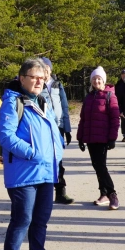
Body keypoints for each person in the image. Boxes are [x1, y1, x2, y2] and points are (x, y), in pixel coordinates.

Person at [0, 58, 64, 250]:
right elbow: (5, 136)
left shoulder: (42, 101)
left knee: (40, 221)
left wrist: (58, 152)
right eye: (33, 77)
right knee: (22, 220)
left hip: (46, 172)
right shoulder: (13, 102)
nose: (38, 81)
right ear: (22, 78)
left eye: (42, 77)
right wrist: (33, 153)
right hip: (23, 174)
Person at [77, 66, 121, 209]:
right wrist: (80, 138)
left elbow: (115, 119)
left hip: (103, 138)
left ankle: (113, 194)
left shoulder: (110, 96)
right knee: (97, 166)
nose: (96, 81)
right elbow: (83, 118)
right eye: (94, 79)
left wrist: (112, 138)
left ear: (104, 81)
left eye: (99, 78)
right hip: (90, 138)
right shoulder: (89, 97)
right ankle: (104, 194)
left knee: (101, 166)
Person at [39, 57, 75, 204]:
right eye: (42, 68)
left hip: (57, 128)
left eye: (46, 68)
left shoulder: (57, 84)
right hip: (42, 128)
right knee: (43, 160)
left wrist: (67, 129)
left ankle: (60, 192)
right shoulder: (36, 85)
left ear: (50, 69)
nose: (45, 71)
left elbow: (64, 107)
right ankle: (41, 193)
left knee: (58, 160)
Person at [115, 69, 125, 142]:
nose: (124, 75)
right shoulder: (118, 84)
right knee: (123, 122)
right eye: (122, 74)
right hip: (120, 104)